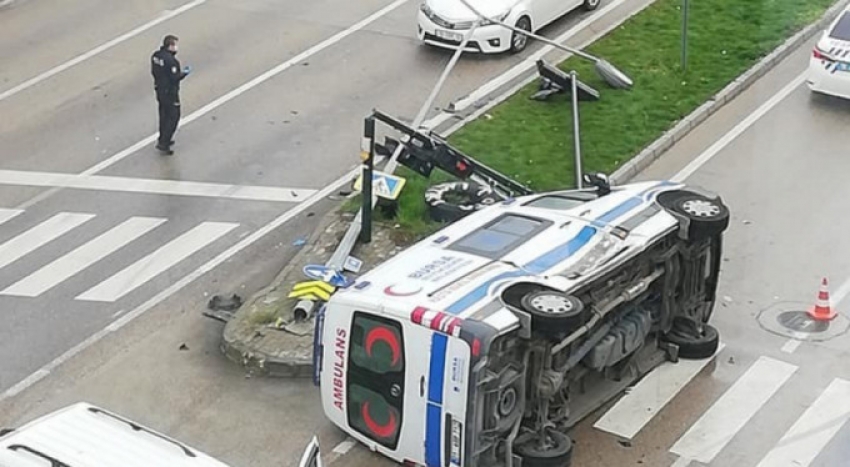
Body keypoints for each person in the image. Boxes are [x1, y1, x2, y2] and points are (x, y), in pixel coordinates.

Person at [151, 35, 191, 155]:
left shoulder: (156, 56)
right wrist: (184, 73)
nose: (176, 48)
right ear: (170, 46)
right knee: (173, 116)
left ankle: (162, 137)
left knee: (163, 115)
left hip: (159, 89)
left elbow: (154, 71)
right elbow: (174, 77)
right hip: (170, 92)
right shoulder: (171, 61)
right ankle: (164, 142)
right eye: (175, 45)